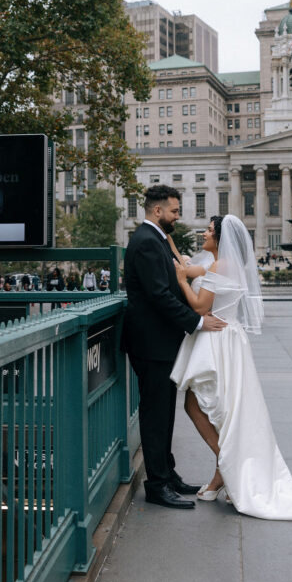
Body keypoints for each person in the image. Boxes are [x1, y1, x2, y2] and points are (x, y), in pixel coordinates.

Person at [171, 214, 292, 521]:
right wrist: (176, 252)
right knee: (218, 409)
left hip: (218, 340)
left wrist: (180, 281)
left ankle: (225, 467)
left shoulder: (220, 266)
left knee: (199, 404)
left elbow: (200, 306)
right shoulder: (220, 264)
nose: (203, 234)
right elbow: (193, 268)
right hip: (227, 340)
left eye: (208, 231)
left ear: (220, 239)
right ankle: (225, 467)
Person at [121, 185, 227, 510]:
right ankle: (156, 485)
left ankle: (168, 475)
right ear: (158, 211)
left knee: (164, 413)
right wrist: (196, 322)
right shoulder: (146, 243)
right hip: (150, 344)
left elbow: (173, 286)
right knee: (155, 416)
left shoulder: (157, 240)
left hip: (161, 343)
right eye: (175, 211)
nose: (177, 217)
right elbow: (159, 295)